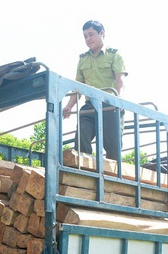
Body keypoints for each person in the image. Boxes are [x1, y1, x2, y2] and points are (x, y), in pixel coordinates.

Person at [62, 20, 128, 160]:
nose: (88, 39)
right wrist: (69, 106)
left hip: (110, 105)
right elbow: (78, 86)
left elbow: (120, 80)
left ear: (101, 33)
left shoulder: (114, 55)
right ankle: (83, 173)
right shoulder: (83, 59)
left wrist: (118, 101)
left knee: (112, 147)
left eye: (91, 34)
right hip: (90, 106)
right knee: (81, 140)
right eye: (85, 36)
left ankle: (113, 178)